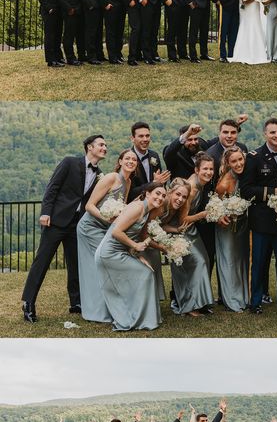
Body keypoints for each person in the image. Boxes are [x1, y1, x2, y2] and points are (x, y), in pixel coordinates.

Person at [21, 134, 107, 322]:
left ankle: (75, 302)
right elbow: (52, 188)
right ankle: (28, 303)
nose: (104, 148)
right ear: (89, 147)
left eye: (105, 145)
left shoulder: (100, 174)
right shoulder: (69, 162)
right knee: (41, 262)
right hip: (56, 221)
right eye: (101, 144)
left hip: (78, 224)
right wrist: (45, 213)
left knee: (76, 263)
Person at [95, 182, 167, 331]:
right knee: (145, 274)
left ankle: (141, 316)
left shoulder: (147, 211)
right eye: (157, 193)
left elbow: (135, 235)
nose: (160, 197)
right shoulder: (137, 207)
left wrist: (138, 256)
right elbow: (116, 232)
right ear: (147, 193)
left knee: (146, 271)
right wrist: (135, 247)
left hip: (122, 251)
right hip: (109, 253)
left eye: (163, 195)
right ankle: (139, 318)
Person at [77, 149, 137, 323]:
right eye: (127, 158)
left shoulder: (129, 181)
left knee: (104, 265)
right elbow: (89, 206)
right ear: (120, 161)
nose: (131, 161)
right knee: (100, 266)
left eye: (134, 159)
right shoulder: (111, 177)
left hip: (105, 228)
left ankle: (110, 307)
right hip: (89, 227)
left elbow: (122, 207)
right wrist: (108, 219)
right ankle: (97, 311)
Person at [240, 117, 277, 314]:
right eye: (272, 132)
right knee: (259, 263)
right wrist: (271, 192)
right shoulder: (254, 157)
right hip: (261, 221)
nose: (276, 136)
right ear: (265, 134)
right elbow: (246, 190)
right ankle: (255, 302)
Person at [162, 170, 214, 316]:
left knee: (201, 262)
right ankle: (187, 303)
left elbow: (165, 225)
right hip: (158, 236)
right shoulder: (162, 203)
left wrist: (176, 229)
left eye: (184, 197)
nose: (180, 199)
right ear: (170, 191)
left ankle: (198, 303)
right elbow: (156, 224)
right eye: (178, 195)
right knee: (186, 266)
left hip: (174, 231)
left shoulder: (194, 189)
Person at [215, 146, 250, 312]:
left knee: (241, 259)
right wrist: (223, 216)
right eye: (234, 161)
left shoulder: (244, 176)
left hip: (242, 224)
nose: (238, 163)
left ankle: (244, 295)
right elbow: (215, 206)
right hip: (227, 227)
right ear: (228, 163)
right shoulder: (225, 183)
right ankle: (232, 299)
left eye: (240, 159)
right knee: (229, 260)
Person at [129, 121, 170, 201]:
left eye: (147, 136)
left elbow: (159, 180)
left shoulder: (154, 155)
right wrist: (153, 183)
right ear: (132, 139)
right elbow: (130, 192)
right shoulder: (128, 159)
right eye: (141, 136)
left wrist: (161, 182)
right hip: (135, 204)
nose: (145, 139)